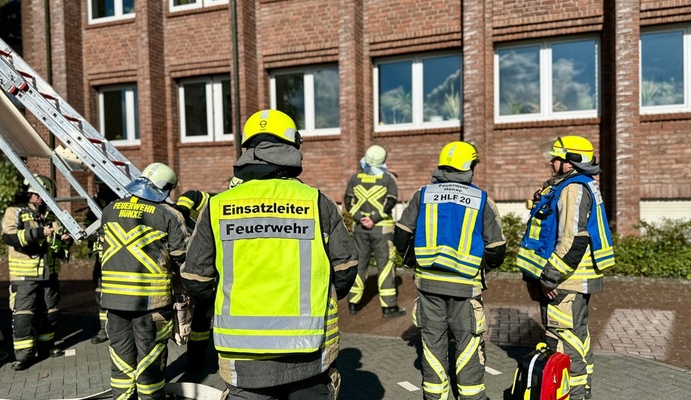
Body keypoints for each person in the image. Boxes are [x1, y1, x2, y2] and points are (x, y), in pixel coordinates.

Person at [181, 109, 358, 399]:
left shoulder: (218, 205)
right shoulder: (317, 202)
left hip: (243, 358)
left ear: (248, 149)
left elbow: (195, 279)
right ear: (292, 148)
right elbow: (346, 269)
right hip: (309, 353)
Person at [393, 141, 506, 400]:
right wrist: (482, 267)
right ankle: (471, 396)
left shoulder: (423, 194)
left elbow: (401, 234)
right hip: (465, 286)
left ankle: (435, 396)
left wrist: (413, 260)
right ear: (469, 166)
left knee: (432, 344)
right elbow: (497, 248)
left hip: (428, 284)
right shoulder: (481, 199)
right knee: (467, 343)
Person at [517, 135, 615, 400]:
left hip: (565, 281)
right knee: (577, 338)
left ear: (570, 163)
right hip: (571, 280)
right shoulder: (576, 185)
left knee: (562, 340)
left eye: (557, 158)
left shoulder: (573, 189)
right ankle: (580, 392)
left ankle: (570, 394)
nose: (552, 162)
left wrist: (549, 278)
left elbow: (573, 240)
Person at [99, 163, 189, 400]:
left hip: (114, 301)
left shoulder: (109, 209)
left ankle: (122, 397)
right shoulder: (169, 214)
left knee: (120, 359)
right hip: (151, 303)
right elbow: (184, 258)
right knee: (150, 359)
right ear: (163, 188)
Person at [1, 174, 73, 371]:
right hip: (25, 275)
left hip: (49, 272)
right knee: (24, 315)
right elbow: (9, 236)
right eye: (40, 194)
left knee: (50, 311)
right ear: (30, 193)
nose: (43, 198)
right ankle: (24, 355)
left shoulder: (50, 214)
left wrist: (65, 239)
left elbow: (57, 242)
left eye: (46, 194)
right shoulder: (14, 211)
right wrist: (39, 233)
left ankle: (46, 347)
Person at [343, 144, 404, 318]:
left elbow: (348, 200)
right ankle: (388, 307)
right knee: (385, 266)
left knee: (359, 264)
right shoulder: (388, 179)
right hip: (381, 230)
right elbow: (391, 201)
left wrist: (360, 217)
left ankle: (353, 303)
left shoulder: (355, 178)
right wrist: (374, 219)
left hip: (360, 229)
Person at [174, 189, 216, 370]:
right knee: (201, 316)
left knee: (202, 317)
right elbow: (192, 196)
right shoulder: (212, 201)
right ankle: (196, 357)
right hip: (204, 273)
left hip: (207, 271)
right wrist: (182, 210)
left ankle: (197, 357)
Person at [84, 177, 120, 345]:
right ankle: (104, 328)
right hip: (101, 259)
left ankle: (117, 329)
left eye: (102, 185)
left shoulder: (119, 203)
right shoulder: (95, 204)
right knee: (100, 294)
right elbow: (87, 224)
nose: (100, 189)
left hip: (118, 258)